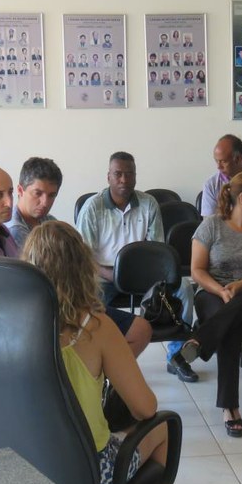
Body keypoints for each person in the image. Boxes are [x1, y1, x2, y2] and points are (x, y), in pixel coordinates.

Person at [21, 221, 168, 484]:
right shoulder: (94, 326)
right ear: (82, 267)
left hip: (22, 476)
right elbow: (145, 409)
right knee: (163, 428)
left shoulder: (4, 325)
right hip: (83, 477)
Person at [4, 157, 152, 358]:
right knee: (123, 334)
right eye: (38, 193)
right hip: (48, 313)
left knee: (140, 330)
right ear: (21, 190)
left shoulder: (50, 222)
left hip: (70, 303)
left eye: (52, 195)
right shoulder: (14, 232)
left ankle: (102, 374)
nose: (45, 202)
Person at [76, 152, 198, 382]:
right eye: (118, 174)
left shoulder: (148, 203)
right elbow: (84, 256)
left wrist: (148, 275)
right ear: (108, 177)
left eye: (129, 174)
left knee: (184, 289)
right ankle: (98, 362)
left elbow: (157, 248)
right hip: (104, 275)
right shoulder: (92, 208)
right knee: (87, 306)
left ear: (135, 176)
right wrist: (111, 275)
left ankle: (177, 356)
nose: (124, 179)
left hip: (146, 274)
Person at [174, 172, 242, 437]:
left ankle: (199, 341)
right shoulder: (211, 226)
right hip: (213, 293)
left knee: (241, 303)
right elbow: (197, 270)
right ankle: (230, 407)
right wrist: (221, 290)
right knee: (229, 325)